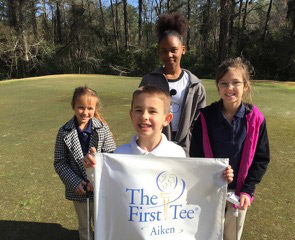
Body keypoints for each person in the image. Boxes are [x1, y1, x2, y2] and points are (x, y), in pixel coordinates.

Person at [190, 57, 270, 240]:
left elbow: (261, 159)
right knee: (206, 235)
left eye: (236, 83)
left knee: (231, 236)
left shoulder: (256, 119)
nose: (229, 88)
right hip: (210, 193)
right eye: (224, 83)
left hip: (238, 196)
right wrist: (213, 176)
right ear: (218, 86)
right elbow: (196, 156)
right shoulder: (205, 117)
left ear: (245, 86)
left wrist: (247, 191)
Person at [84, 85, 233, 181]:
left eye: (153, 111)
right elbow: (107, 188)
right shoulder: (119, 154)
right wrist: (92, 169)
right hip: (131, 229)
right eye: (138, 110)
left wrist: (219, 177)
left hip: (163, 228)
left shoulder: (176, 153)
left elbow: (190, 188)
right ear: (131, 115)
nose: (144, 116)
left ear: (167, 119)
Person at [139, 12, 206, 156]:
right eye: (164, 51)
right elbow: (140, 114)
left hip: (186, 149)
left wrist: (190, 142)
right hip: (155, 147)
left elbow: (199, 122)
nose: (169, 55)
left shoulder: (195, 85)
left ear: (183, 49)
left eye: (174, 50)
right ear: (159, 52)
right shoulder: (148, 81)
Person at [54, 85, 116, 240]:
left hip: (100, 188)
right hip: (78, 190)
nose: (85, 112)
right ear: (73, 106)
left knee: (102, 224)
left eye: (90, 108)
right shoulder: (64, 132)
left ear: (95, 108)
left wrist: (95, 179)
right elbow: (60, 162)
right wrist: (75, 182)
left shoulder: (102, 129)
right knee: (84, 227)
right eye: (81, 107)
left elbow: (111, 156)